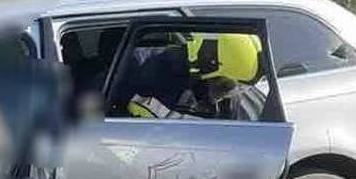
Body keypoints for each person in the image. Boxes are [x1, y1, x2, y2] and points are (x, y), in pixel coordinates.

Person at [107, 32, 263, 120]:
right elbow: (94, 112)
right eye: (226, 87)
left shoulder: (227, 103)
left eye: (238, 89)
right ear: (210, 65)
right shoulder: (139, 67)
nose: (225, 96)